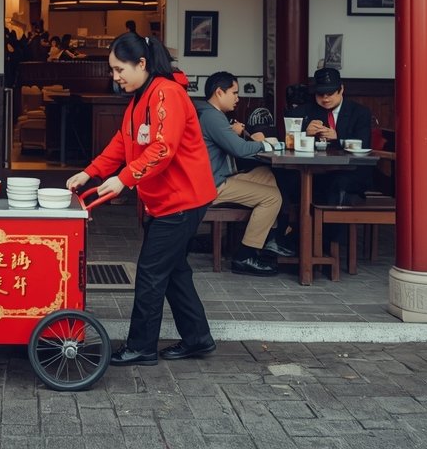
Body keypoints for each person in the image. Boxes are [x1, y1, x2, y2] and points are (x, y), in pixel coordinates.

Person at [66, 32, 217, 365]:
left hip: (182, 199)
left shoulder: (167, 93)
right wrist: (90, 173)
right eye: (113, 70)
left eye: (120, 69)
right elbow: (123, 142)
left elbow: (162, 148)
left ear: (142, 64)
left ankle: (141, 347)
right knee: (173, 271)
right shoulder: (140, 97)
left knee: (150, 272)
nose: (115, 77)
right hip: (169, 199)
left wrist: (123, 179)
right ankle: (198, 338)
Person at [198, 71, 294, 277]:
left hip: (216, 176)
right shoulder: (212, 117)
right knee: (272, 197)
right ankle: (245, 256)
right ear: (219, 92)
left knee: (265, 174)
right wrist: (267, 144)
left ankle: (270, 238)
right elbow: (240, 150)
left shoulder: (211, 114)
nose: (237, 98)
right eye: (234, 93)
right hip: (211, 184)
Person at [301, 67, 373, 205]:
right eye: (320, 94)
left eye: (330, 93)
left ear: (341, 89)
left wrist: (338, 139)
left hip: (352, 171)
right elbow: (288, 136)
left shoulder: (359, 112)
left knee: (336, 184)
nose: (325, 98)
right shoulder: (306, 111)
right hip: (315, 171)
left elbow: (363, 144)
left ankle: (330, 218)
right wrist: (305, 134)